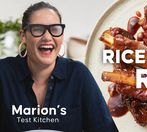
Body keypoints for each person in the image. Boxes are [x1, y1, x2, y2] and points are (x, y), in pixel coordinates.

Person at [0, 1, 118, 132]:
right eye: (38, 29)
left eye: (55, 29)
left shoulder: (78, 74)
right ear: (23, 36)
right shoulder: (3, 73)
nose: (47, 37)